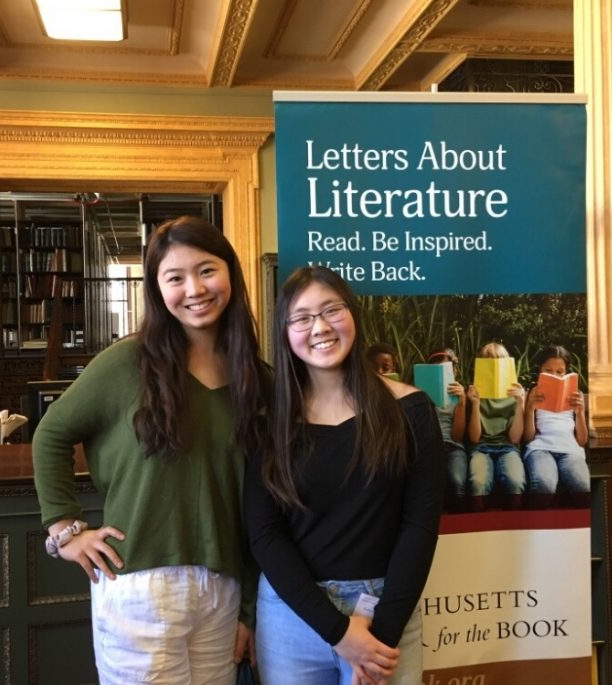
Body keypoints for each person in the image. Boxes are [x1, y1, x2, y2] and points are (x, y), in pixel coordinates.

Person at [32, 216, 269, 684]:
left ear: (231, 275)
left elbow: (258, 503)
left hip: (223, 588)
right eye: (175, 278)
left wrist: (249, 611)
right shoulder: (126, 363)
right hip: (139, 584)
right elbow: (51, 434)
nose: (194, 289)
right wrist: (66, 530)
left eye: (206, 270)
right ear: (158, 290)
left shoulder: (256, 379)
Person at [245, 266, 445, 685]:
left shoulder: (411, 410)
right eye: (301, 318)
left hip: (387, 611)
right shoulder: (270, 423)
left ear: (353, 314)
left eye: (331, 310)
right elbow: (265, 533)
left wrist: (378, 642)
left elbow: (420, 526)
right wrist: (337, 632)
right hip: (292, 618)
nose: (319, 327)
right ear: (285, 332)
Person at [523, 345, 590, 508]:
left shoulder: (575, 395)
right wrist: (530, 408)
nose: (554, 375)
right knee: (544, 485)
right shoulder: (533, 393)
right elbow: (528, 437)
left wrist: (580, 412)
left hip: (570, 450)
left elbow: (582, 440)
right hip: (541, 448)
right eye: (548, 371)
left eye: (560, 372)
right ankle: (538, 526)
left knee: (583, 486)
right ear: (540, 371)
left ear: (566, 373)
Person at [466, 342, 526, 511]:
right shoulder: (475, 393)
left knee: (516, 483)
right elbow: (474, 438)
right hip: (481, 447)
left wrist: (520, 403)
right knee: (478, 483)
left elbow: (515, 438)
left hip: (508, 447)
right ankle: (478, 526)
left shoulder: (516, 393)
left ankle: (514, 526)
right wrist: (476, 404)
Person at [426, 348, 469, 512]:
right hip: (429, 448)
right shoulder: (422, 393)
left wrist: (462, 403)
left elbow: (457, 436)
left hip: (453, 447)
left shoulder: (458, 397)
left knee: (457, 481)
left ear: (455, 372)